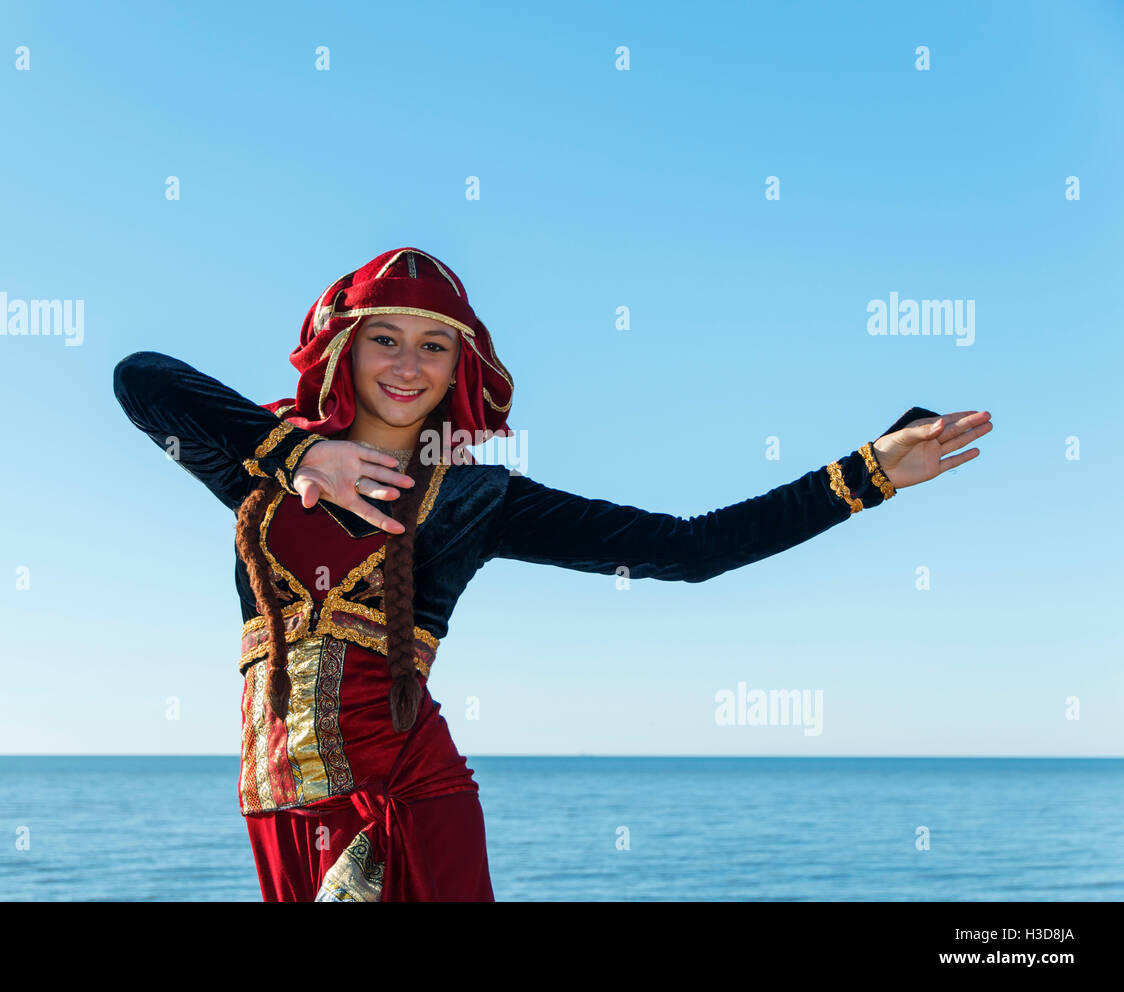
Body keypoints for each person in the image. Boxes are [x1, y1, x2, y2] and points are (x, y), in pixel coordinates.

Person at [112, 246, 993, 901]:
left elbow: (691, 549)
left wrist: (868, 474)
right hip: (273, 805)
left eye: (435, 347)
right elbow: (139, 378)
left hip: (407, 797)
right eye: (385, 338)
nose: (408, 365)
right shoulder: (260, 463)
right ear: (344, 347)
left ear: (462, 369)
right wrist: (299, 451)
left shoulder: (476, 497)